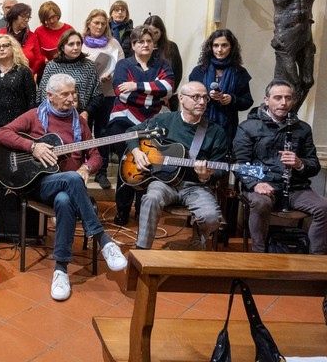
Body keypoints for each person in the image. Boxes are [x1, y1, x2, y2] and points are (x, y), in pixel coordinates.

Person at [0, 74, 127, 301]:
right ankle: (103, 240)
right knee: (72, 180)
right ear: (49, 96)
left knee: (66, 199)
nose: (71, 98)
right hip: (38, 185)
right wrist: (33, 146)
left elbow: (95, 156)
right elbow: (1, 133)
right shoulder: (34, 116)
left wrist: (86, 168)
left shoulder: (80, 122)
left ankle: (60, 269)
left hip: (66, 188)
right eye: (64, 94)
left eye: (73, 93)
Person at [125, 81, 227, 250]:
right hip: (164, 182)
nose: (202, 102)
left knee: (211, 218)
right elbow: (131, 132)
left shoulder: (215, 132)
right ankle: (142, 250)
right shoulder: (164, 120)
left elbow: (221, 168)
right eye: (196, 97)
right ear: (181, 98)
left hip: (195, 186)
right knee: (151, 198)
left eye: (205, 98)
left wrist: (206, 175)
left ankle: (198, 236)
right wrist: (136, 151)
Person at [233, 80, 327, 254]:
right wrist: (255, 184)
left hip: (295, 188)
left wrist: (300, 164)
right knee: (261, 203)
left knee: (323, 207)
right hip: (263, 185)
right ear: (266, 100)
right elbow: (240, 163)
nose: (284, 103)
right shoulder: (248, 127)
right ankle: (259, 255)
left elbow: (313, 165)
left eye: (288, 98)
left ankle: (317, 260)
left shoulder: (302, 128)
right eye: (278, 97)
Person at [109, 25, 175, 225]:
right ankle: (122, 210)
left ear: (154, 44)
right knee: (126, 164)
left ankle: (141, 210)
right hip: (123, 120)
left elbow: (169, 89)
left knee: (149, 164)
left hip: (152, 122)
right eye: (140, 42)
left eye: (149, 41)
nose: (145, 45)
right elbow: (121, 92)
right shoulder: (123, 65)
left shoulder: (163, 64)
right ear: (134, 45)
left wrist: (137, 86)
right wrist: (152, 94)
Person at [188, 29, 253, 148]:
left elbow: (247, 101)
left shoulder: (240, 72)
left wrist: (232, 99)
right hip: (200, 123)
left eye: (224, 45)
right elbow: (189, 99)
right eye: (216, 45)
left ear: (231, 47)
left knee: (222, 159)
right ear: (210, 48)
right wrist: (206, 97)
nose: (219, 50)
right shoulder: (199, 71)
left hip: (228, 126)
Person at [82, 9, 125, 189]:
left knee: (103, 133)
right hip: (85, 96)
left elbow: (122, 67)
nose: (99, 27)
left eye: (102, 24)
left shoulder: (113, 43)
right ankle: (83, 169)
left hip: (107, 94)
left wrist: (110, 75)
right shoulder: (81, 42)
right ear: (89, 23)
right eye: (96, 23)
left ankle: (102, 171)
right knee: (82, 133)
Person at [0, 34, 35, 164]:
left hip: (17, 126)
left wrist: (29, 124)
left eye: (5, 46)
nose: (1, 49)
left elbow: (31, 100)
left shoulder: (24, 71)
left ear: (13, 48)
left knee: (15, 163)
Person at [37, 30, 103, 122]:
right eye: (71, 44)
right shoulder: (52, 66)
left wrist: (87, 112)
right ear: (63, 47)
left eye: (78, 44)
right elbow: (43, 95)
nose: (76, 47)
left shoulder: (89, 66)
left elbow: (97, 95)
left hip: (81, 117)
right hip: (54, 118)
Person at [143, 15, 183, 111]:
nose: (153, 36)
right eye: (150, 33)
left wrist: (168, 94)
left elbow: (177, 73)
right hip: (147, 96)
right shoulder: (141, 47)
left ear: (162, 32)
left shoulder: (171, 47)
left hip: (169, 97)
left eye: (156, 32)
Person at [0, 2, 44, 75]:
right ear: (14, 16)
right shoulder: (1, 34)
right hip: (4, 76)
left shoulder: (32, 36)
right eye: (23, 16)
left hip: (26, 77)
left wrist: (30, 73)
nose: (26, 20)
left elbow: (38, 59)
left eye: (28, 17)